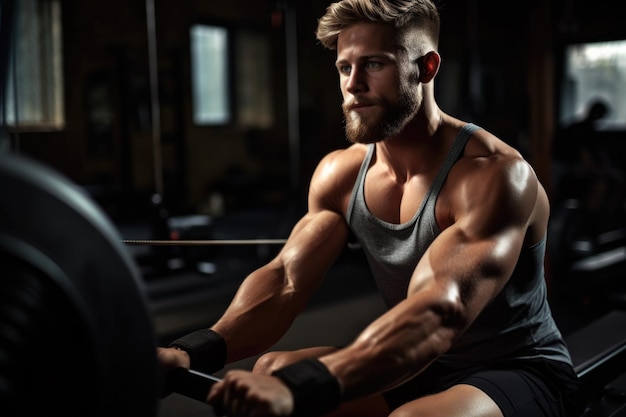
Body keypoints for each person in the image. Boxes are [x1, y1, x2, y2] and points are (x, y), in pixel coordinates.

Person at [158, 1, 581, 416]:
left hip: (516, 369)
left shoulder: (494, 175)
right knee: (273, 368)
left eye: (374, 64)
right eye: (345, 67)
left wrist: (303, 388)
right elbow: (286, 281)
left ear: (426, 67)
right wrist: (192, 351)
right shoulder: (339, 175)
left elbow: (441, 311)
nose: (353, 84)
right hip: (420, 362)